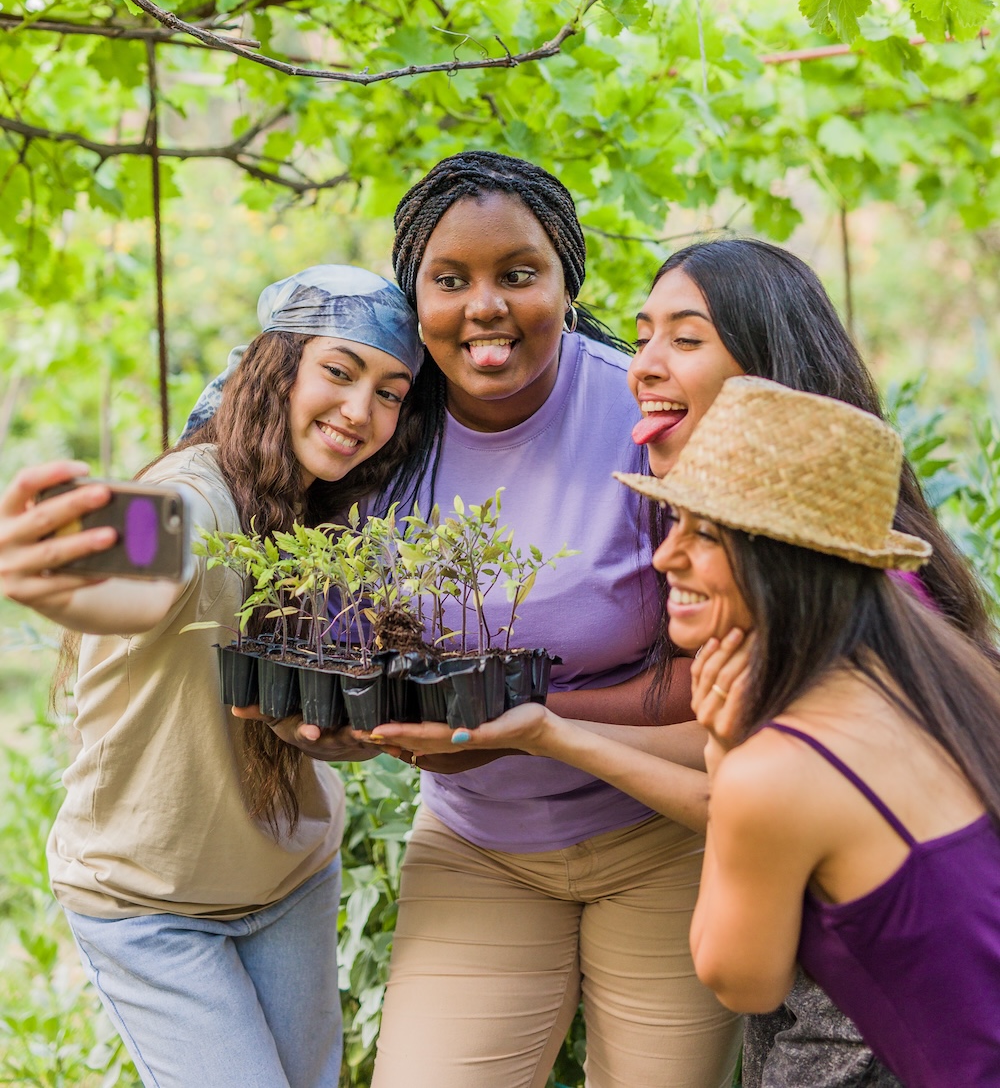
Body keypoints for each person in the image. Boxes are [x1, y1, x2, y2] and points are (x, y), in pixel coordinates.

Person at [378, 235, 995, 1088]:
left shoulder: (850, 623)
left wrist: (682, 745)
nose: (645, 365)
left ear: (765, 368)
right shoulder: (856, 607)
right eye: (642, 339)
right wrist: (548, 732)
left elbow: (741, 938)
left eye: (687, 337)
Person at [256, 154, 741, 1088]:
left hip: (661, 836)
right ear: (416, 295)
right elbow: (333, 629)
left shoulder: (642, 410)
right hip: (478, 847)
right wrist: (349, 727)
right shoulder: (377, 427)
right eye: (451, 280)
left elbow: (724, 673)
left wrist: (525, 726)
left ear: (567, 280)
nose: (485, 307)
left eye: (518, 275)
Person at [0, 265, 423, 1088]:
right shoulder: (197, 494)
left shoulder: (335, 522)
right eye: (339, 371)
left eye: (390, 392)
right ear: (277, 368)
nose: (360, 411)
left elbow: (319, 726)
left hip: (291, 876)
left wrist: (343, 736)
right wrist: (67, 559)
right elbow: (149, 549)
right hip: (149, 904)